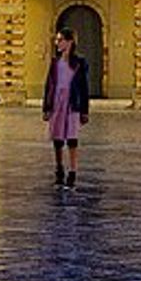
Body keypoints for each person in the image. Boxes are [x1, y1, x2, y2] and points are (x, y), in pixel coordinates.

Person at [43, 27, 91, 190]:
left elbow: (84, 87)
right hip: (57, 103)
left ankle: (72, 171)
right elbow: (48, 85)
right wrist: (46, 107)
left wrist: (85, 110)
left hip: (72, 104)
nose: (57, 43)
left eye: (60, 40)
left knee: (71, 138)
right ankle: (59, 170)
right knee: (57, 139)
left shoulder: (79, 63)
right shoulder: (55, 63)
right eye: (57, 40)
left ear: (70, 42)